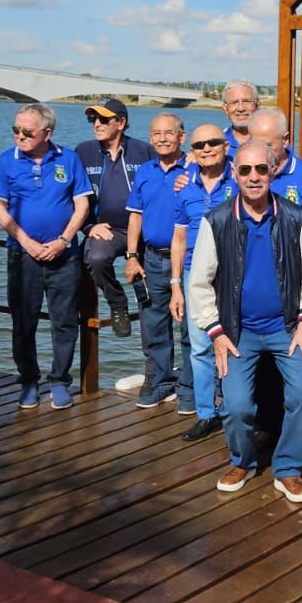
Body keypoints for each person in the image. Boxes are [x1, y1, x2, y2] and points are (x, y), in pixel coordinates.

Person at [187, 140, 302, 502]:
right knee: (236, 406)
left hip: (288, 328)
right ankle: (242, 462)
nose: (253, 177)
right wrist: (216, 332)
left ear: (273, 172)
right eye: (245, 170)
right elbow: (199, 283)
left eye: (261, 169)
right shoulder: (216, 221)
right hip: (237, 332)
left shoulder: (295, 217)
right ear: (234, 174)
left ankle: (288, 468)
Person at [0, 104, 92, 411]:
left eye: (27, 132)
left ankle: (59, 381)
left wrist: (64, 240)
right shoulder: (6, 160)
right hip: (23, 257)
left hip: (65, 257)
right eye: (16, 130)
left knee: (65, 322)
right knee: (23, 323)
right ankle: (29, 381)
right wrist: (26, 241)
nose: (19, 136)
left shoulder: (68, 159)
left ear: (47, 133)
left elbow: (82, 205)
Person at [170, 123, 237, 441]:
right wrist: (175, 285)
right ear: (192, 152)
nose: (206, 149)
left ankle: (234, 409)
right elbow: (178, 239)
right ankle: (206, 414)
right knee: (199, 348)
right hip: (194, 275)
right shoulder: (184, 186)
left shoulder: (240, 178)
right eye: (199, 145)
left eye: (213, 142)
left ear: (226, 146)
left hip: (233, 274)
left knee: (236, 343)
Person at [125, 113, 190, 410]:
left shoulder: (194, 168)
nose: (162, 139)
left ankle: (189, 387)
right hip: (151, 258)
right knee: (155, 325)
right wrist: (131, 256)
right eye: (156, 134)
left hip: (187, 260)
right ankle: (162, 382)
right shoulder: (145, 171)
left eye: (169, 133)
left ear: (181, 137)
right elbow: (135, 216)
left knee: (190, 327)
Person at [75, 98, 151, 338]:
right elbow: (71, 194)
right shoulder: (83, 152)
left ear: (121, 122)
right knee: (95, 257)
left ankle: (153, 357)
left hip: (143, 229)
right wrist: (88, 227)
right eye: (93, 119)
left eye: (103, 119)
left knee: (150, 294)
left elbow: (171, 168)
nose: (96, 124)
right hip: (109, 230)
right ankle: (118, 304)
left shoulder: (143, 151)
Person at [247, 107, 302, 211]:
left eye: (268, 145)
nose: (261, 152)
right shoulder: (243, 173)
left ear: (285, 140)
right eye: (256, 145)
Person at [221, 80, 258, 155]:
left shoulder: (270, 140)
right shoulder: (218, 142)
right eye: (234, 102)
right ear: (225, 109)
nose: (241, 108)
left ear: (257, 105)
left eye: (246, 101)